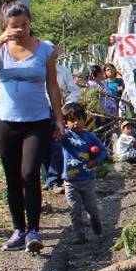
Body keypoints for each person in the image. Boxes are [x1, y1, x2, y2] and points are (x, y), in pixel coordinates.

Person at [0, 1, 64, 253]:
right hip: (5, 121)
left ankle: (34, 231)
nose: (21, 30)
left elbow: (53, 86)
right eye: (14, 26)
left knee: (29, 173)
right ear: (6, 26)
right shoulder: (1, 49)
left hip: (36, 121)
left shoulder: (44, 49)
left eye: (24, 25)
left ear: (30, 23)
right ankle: (18, 229)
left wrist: (58, 118)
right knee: (12, 178)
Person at [60, 102, 108, 244]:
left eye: (78, 119)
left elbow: (103, 151)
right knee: (74, 209)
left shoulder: (90, 136)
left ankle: (96, 223)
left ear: (84, 119)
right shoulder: (66, 137)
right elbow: (55, 135)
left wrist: (96, 160)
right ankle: (79, 235)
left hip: (87, 180)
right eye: (71, 120)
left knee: (91, 207)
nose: (75, 123)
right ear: (65, 123)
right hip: (70, 181)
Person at [42, 56, 83, 193]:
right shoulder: (37, 70)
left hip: (58, 110)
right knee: (42, 145)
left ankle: (55, 180)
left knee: (57, 144)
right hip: (39, 111)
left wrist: (65, 106)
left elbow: (74, 91)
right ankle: (47, 178)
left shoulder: (63, 71)